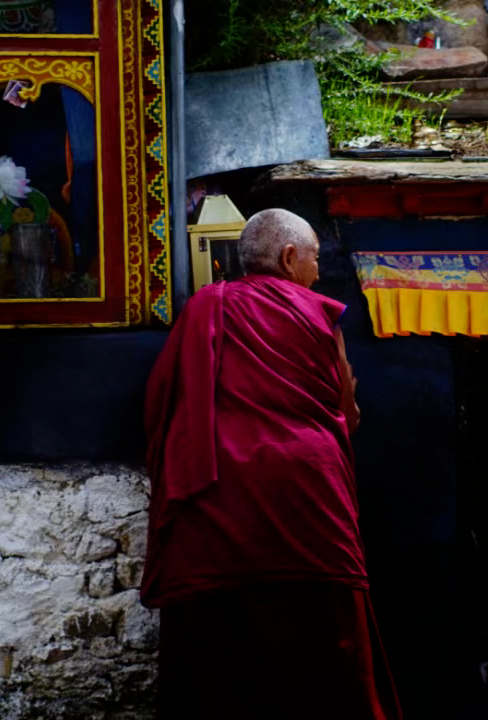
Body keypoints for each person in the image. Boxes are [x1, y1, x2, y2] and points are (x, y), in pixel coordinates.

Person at [141, 208, 401, 719]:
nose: (317, 273)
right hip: (308, 502)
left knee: (221, 660)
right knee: (323, 648)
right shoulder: (315, 313)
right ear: (287, 258)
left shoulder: (205, 308)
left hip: (217, 505)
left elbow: (161, 404)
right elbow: (346, 413)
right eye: (313, 259)